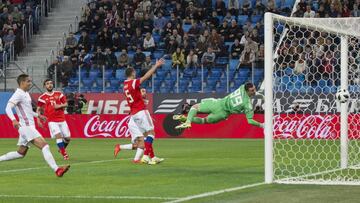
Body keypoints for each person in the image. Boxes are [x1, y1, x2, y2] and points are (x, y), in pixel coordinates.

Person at [0, 74, 70, 177]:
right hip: (26, 127)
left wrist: (38, 115)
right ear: (22, 82)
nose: (30, 83)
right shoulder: (18, 94)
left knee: (20, 153)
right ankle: (57, 170)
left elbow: (28, 111)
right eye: (28, 81)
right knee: (45, 146)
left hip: (27, 127)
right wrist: (14, 120)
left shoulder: (26, 93)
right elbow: (8, 108)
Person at [114, 59, 165, 165]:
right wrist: (156, 66)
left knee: (146, 136)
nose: (135, 73)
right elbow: (146, 77)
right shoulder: (132, 83)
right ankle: (146, 156)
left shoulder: (125, 85)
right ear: (132, 73)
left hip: (134, 114)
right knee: (152, 133)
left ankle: (153, 157)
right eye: (134, 72)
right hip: (141, 111)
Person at [174, 82, 263, 129]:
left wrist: (255, 92)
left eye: (254, 89)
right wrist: (262, 125)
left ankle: (187, 120)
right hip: (222, 114)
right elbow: (250, 121)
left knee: (194, 107)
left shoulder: (242, 87)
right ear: (247, 90)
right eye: (252, 90)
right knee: (203, 121)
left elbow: (247, 87)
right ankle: (186, 120)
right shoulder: (248, 105)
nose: (254, 91)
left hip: (217, 104)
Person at [37, 79, 71, 160]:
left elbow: (66, 104)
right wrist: (38, 119)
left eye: (51, 83)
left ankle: (61, 149)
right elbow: (38, 109)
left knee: (67, 138)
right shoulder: (42, 97)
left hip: (62, 119)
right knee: (58, 136)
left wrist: (59, 106)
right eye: (47, 84)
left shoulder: (59, 94)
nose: (50, 85)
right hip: (52, 121)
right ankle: (64, 155)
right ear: (45, 86)